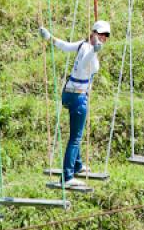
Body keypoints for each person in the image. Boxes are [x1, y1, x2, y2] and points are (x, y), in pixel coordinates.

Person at [39, 20, 111, 188]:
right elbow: (86, 62)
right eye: (101, 34)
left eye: (106, 36)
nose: (103, 38)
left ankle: (77, 165)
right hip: (79, 98)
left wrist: (50, 38)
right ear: (93, 33)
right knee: (75, 138)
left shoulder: (82, 44)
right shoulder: (89, 50)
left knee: (75, 134)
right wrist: (94, 50)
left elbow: (64, 46)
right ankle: (68, 176)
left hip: (68, 94)